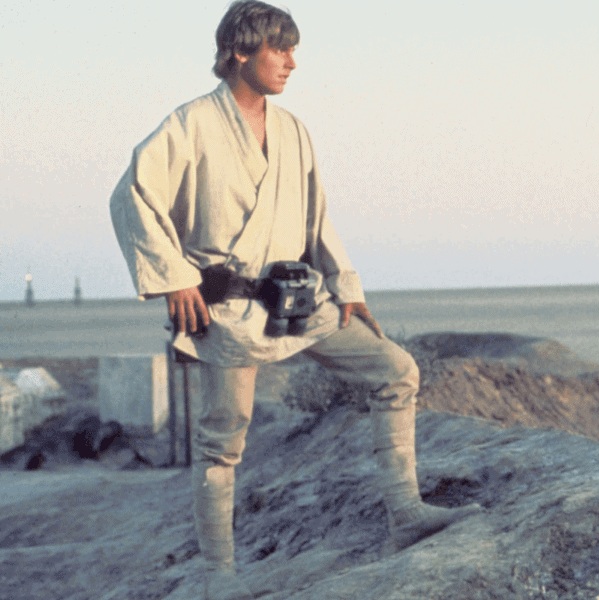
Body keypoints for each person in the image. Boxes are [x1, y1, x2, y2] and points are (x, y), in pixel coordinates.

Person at [109, 2, 480, 598]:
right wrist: (174, 276)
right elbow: (131, 196)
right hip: (227, 310)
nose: (291, 63)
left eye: (292, 49)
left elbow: (318, 218)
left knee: (396, 370)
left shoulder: (293, 131)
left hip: (298, 303)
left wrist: (346, 287)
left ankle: (406, 515)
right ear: (240, 52)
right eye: (279, 50)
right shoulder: (191, 124)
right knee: (222, 440)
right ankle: (216, 572)